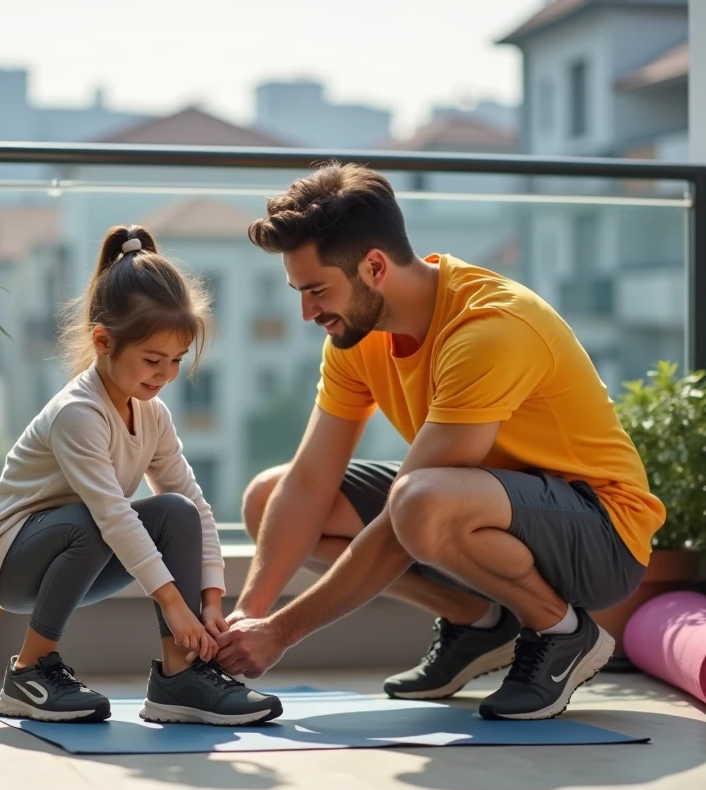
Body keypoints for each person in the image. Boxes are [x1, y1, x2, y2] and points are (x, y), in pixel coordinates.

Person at [215, 163, 666, 721]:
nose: (307, 313)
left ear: (374, 266)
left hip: (600, 534)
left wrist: (281, 632)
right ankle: (478, 621)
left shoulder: (489, 329)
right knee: (270, 496)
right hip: (487, 506)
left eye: (317, 291)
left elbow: (406, 521)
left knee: (420, 502)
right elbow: (310, 483)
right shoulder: (356, 337)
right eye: (300, 292)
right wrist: (248, 618)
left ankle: (561, 631)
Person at [0, 225, 283, 727]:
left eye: (177, 360)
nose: (166, 375)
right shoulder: (78, 413)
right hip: (9, 558)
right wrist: (173, 606)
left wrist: (209, 597)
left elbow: (193, 504)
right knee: (97, 517)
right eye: (153, 360)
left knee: (175, 512)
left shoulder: (152, 414)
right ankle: (28, 672)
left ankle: (179, 681)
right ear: (103, 341)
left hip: (78, 547)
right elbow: (112, 515)